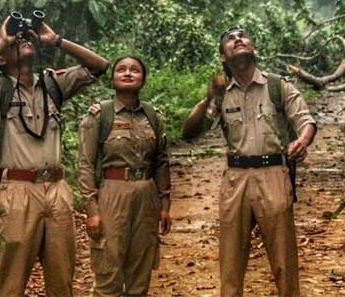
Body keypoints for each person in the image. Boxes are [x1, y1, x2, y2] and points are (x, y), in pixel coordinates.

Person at [0, 14, 108, 296]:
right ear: (1, 59)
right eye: (17, 42)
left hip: (57, 188)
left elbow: (99, 66)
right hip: (17, 189)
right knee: (13, 278)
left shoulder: (52, 84)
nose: (24, 41)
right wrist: (2, 41)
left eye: (27, 38)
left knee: (62, 276)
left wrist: (55, 39)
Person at [181, 28, 317, 297]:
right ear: (223, 58)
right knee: (231, 262)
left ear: (254, 49)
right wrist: (209, 97)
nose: (238, 40)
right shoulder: (221, 94)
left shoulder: (277, 86)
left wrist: (302, 141)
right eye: (231, 39)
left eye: (242, 36)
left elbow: (305, 120)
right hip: (236, 179)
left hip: (273, 174)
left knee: (283, 259)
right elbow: (190, 133)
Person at [77, 56, 172, 297]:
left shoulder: (153, 116)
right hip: (112, 192)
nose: (128, 73)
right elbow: (86, 164)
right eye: (121, 69)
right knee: (108, 270)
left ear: (143, 79)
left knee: (140, 272)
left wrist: (164, 204)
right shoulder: (99, 116)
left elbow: (161, 162)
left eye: (135, 70)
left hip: (146, 195)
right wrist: (92, 210)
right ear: (112, 79)